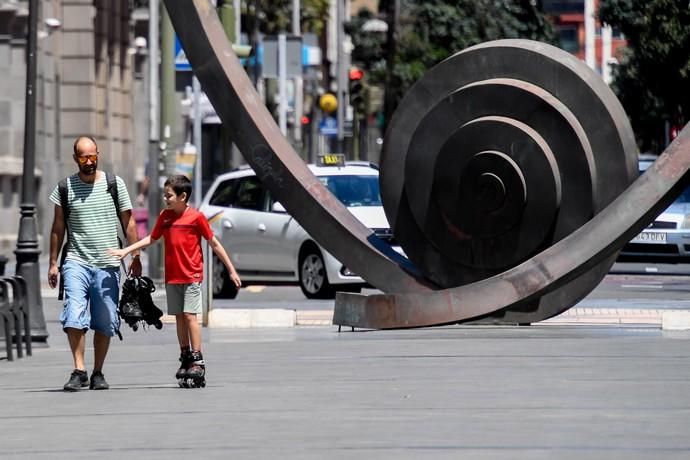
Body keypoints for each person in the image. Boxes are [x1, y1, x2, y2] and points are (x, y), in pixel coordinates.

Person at [108, 174, 241, 388]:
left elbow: (214, 243)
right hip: (173, 277)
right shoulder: (165, 216)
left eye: (169, 195)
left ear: (183, 196)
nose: (165, 199)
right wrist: (127, 250)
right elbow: (152, 238)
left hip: (191, 276)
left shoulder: (196, 218)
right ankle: (185, 355)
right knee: (179, 317)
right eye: (164, 195)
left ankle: (198, 359)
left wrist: (231, 270)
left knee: (190, 316)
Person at [48, 135, 142, 391]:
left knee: (106, 319)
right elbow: (57, 227)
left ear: (98, 154)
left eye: (92, 156)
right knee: (74, 313)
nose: (89, 161)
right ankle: (79, 369)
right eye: (83, 157)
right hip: (76, 260)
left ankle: (98, 371)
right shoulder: (65, 187)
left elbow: (129, 222)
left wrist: (135, 256)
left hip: (108, 263)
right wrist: (53, 263)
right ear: (75, 158)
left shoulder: (114, 184)